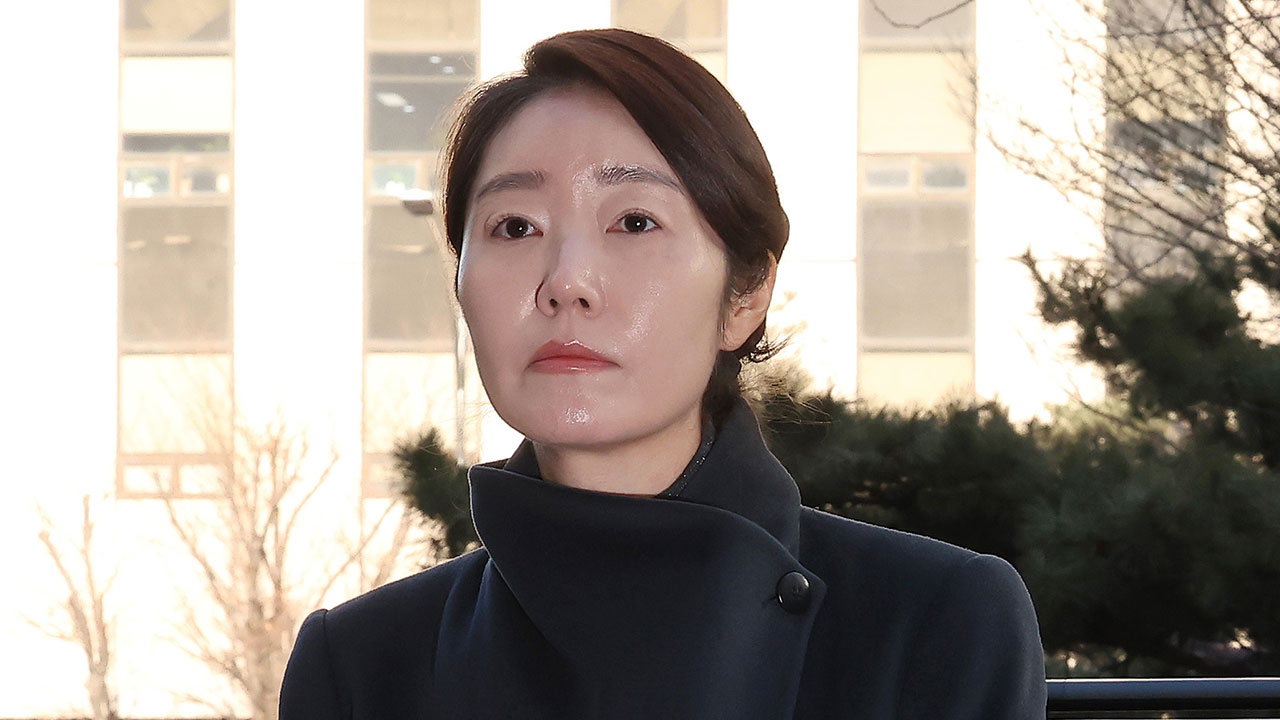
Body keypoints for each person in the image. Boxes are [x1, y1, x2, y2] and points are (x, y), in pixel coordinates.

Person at [279, 28, 1046, 719]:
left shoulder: (933, 620)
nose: (566, 281)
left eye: (635, 222)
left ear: (746, 295)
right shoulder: (361, 666)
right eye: (515, 226)